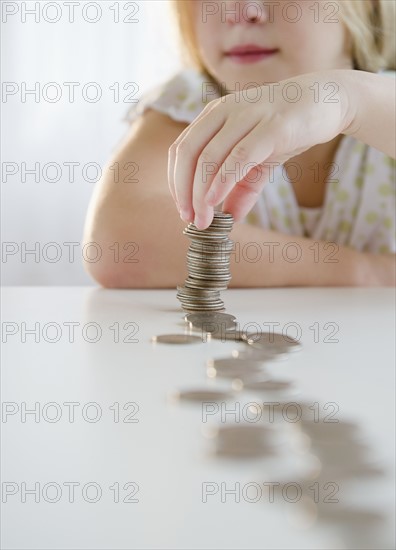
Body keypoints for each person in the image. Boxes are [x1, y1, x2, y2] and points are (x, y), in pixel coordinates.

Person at [83, 0, 395, 288]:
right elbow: (116, 246)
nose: (240, 11)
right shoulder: (191, 102)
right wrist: (363, 272)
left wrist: (349, 101)